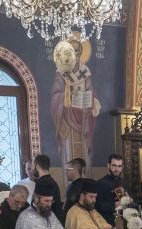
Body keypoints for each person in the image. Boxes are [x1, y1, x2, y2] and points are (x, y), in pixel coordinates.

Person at [51, 40, 100, 170]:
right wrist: (67, 97)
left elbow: (90, 91)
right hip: (67, 122)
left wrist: (90, 98)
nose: (75, 54)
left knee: (84, 159)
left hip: (84, 120)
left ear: (81, 53)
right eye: (71, 50)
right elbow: (56, 95)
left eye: (77, 50)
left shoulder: (85, 72)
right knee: (69, 158)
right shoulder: (61, 73)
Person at [96, 153, 128, 227]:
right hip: (107, 224)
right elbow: (97, 206)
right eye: (114, 166)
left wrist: (129, 200)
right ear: (108, 165)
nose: (117, 169)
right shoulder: (100, 183)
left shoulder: (125, 183)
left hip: (124, 223)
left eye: (119, 166)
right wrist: (115, 205)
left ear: (122, 167)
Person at [33, 154, 63, 223]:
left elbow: (39, 205)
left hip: (48, 221)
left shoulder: (42, 183)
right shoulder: (52, 181)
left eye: (33, 165)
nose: (32, 169)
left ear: (37, 167)